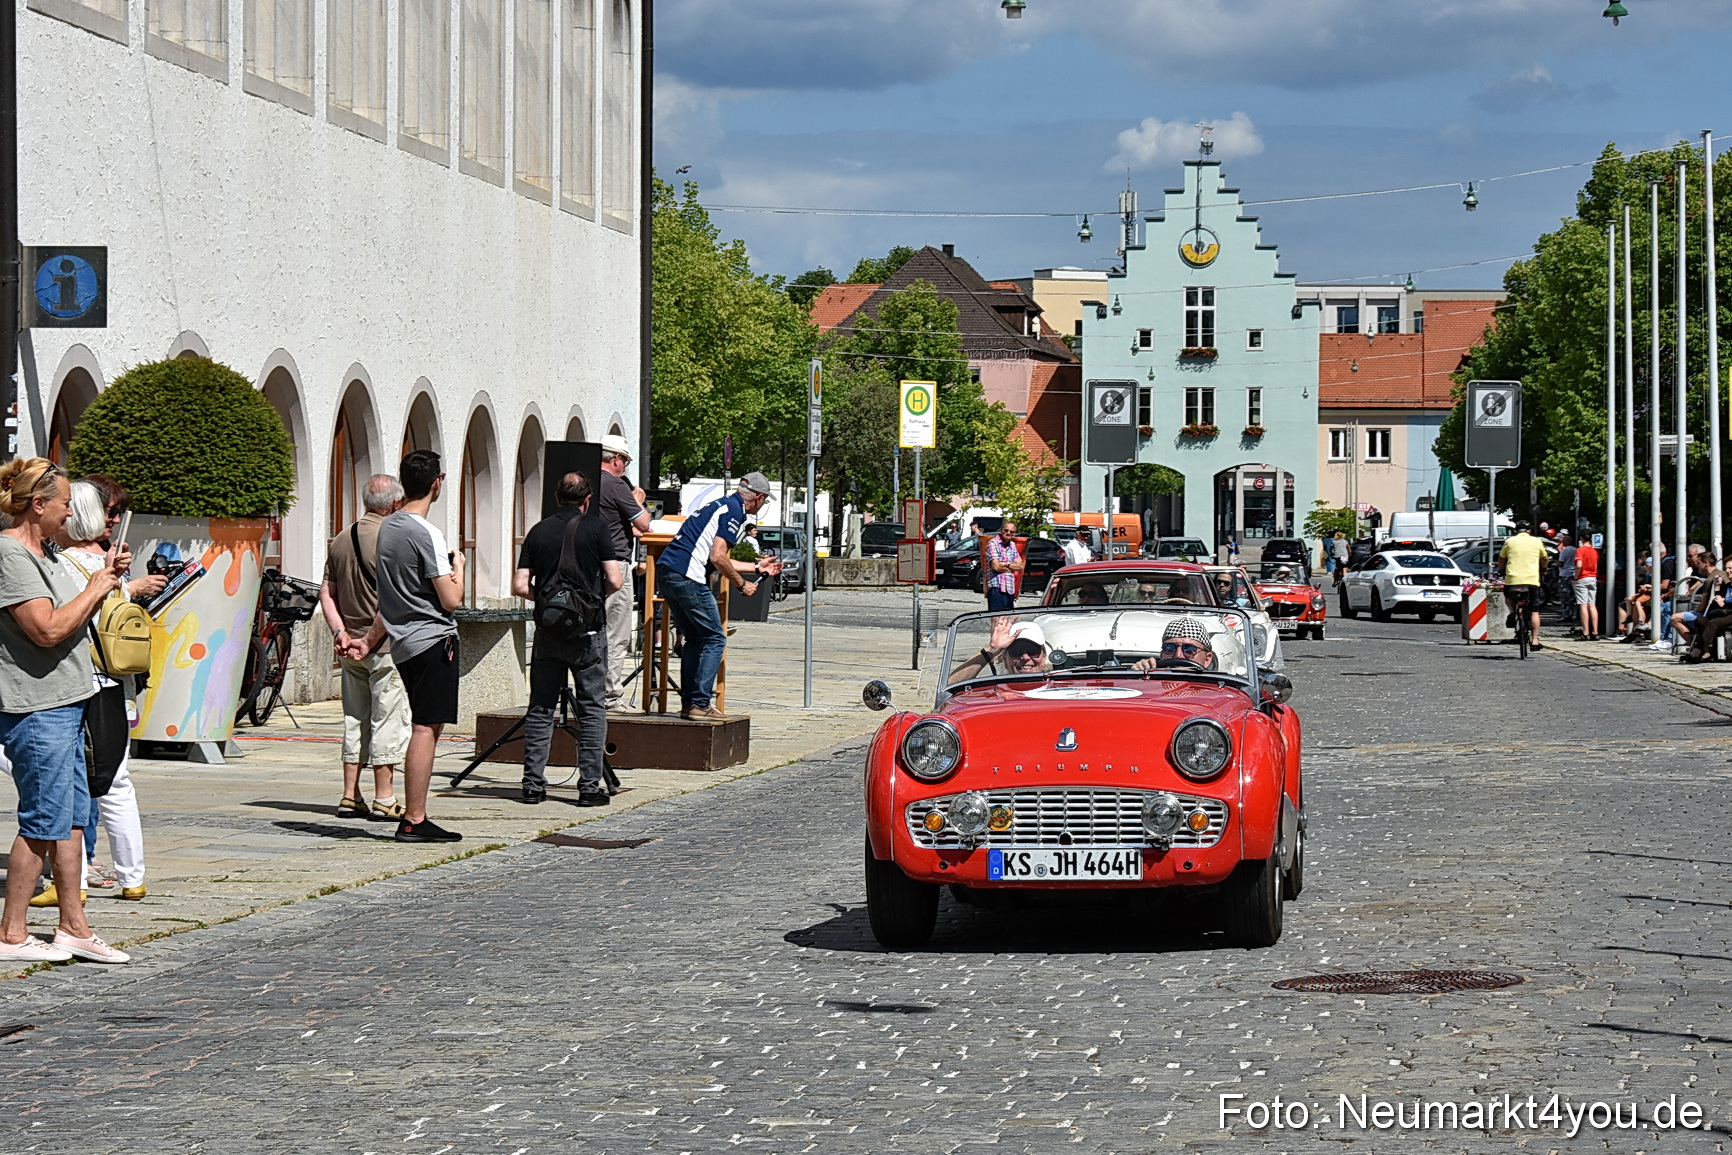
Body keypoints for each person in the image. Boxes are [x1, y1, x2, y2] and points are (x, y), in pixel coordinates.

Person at [0, 458, 131, 963]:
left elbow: (71, 619)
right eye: (64, 504)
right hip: (38, 706)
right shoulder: (11, 556)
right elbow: (47, 629)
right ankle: (11, 933)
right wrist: (96, 586)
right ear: (38, 505)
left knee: (73, 819)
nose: (71, 513)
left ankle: (73, 927)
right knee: (42, 821)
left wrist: (105, 581)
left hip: (68, 700)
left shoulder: (48, 553)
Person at [38, 480, 168, 908]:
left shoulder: (63, 563)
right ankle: (133, 878)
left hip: (82, 682)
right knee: (117, 781)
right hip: (116, 684)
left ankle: (71, 881)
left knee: (71, 782)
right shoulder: (109, 564)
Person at [353, 450, 463, 843]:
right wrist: (459, 568)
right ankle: (415, 818)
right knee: (426, 728)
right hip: (433, 639)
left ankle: (415, 815)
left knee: (421, 724)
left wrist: (369, 641)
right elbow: (451, 599)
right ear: (438, 482)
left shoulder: (389, 528)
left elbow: (389, 596)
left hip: (402, 643)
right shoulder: (425, 532)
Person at [511, 471, 621, 805]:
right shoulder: (597, 528)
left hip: (548, 632)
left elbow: (519, 586)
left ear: (557, 498)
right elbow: (615, 580)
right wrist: (585, 604)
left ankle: (533, 786)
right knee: (591, 708)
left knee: (541, 706)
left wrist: (550, 603)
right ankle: (588, 787)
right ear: (587, 500)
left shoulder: (538, 530)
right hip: (587, 633)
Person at [654, 472, 782, 721]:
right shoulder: (734, 511)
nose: (763, 504)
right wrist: (741, 584)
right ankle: (701, 703)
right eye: (765, 500)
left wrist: (757, 568)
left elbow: (716, 557)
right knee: (715, 638)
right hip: (688, 577)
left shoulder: (720, 505)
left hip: (668, 573)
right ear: (757, 498)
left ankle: (689, 704)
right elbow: (718, 556)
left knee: (694, 639)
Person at [319, 473, 409, 822]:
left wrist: (340, 632)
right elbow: (394, 600)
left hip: (349, 647)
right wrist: (369, 640)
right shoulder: (393, 539)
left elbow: (327, 592)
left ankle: (349, 795)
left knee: (355, 718)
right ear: (396, 504)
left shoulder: (343, 537)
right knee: (388, 719)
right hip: (383, 647)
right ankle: (384, 797)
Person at [1498, 521, 1548, 650]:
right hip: (1532, 580)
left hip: (1513, 579)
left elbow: (1501, 558)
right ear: (1529, 530)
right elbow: (1545, 558)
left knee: (1507, 596)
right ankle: (1535, 641)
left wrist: (1502, 570)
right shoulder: (1537, 541)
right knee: (1534, 611)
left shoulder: (1509, 541)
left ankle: (1511, 612)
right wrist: (1543, 569)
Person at [948, 619, 1049, 683]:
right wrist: (991, 649)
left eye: (1033, 651)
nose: (1025, 657)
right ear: (1005, 660)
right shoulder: (995, 691)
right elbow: (951, 685)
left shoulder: (1055, 690)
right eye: (1016, 651)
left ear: (1043, 657)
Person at [1135, 617, 1219, 672]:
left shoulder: (1217, 688)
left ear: (1207, 659)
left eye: (1189, 649)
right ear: (1161, 654)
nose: (1178, 655)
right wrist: (1140, 673)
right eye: (1170, 648)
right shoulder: (1152, 679)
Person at [984, 521, 1024, 611]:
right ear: (1001, 530)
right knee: (997, 617)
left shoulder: (1012, 545)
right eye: (1006, 530)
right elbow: (996, 567)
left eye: (1012, 531)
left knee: (1007, 618)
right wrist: (1012, 567)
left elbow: (1020, 567)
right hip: (996, 587)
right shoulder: (993, 543)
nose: (1008, 533)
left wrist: (1005, 564)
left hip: (1009, 588)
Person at [1573, 534, 1600, 641]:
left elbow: (1579, 565)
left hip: (1582, 577)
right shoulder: (1594, 551)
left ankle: (1586, 632)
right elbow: (1596, 566)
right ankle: (1595, 632)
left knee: (1583, 606)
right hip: (1592, 577)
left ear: (1582, 538)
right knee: (1592, 605)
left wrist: (1575, 577)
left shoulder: (1580, 550)